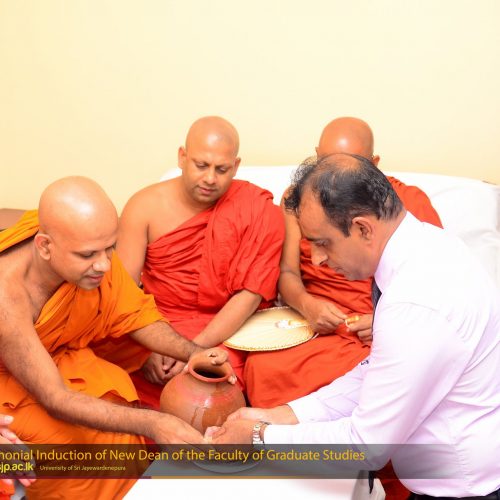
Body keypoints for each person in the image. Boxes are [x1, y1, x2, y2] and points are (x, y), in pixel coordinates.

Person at [208, 154, 500, 499]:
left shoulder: (415, 302)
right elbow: (377, 372)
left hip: (464, 490)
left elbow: (365, 447)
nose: (316, 259)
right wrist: (282, 415)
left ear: (363, 228)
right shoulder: (426, 246)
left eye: (322, 242)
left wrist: (258, 438)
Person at [0, 177, 232, 500]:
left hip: (53, 359)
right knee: (73, 445)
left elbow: (131, 311)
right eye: (88, 255)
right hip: (10, 388)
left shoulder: (84, 245)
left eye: (110, 247)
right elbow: (56, 399)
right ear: (45, 246)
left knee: (117, 400)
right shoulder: (7, 298)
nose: (105, 265)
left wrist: (194, 352)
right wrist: (153, 424)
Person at [244, 117, 443, 408]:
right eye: (325, 164)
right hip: (319, 327)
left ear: (374, 164)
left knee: (389, 372)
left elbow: (435, 283)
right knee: (263, 368)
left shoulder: (404, 202)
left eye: (349, 167)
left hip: (378, 327)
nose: (334, 180)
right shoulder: (299, 201)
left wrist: (383, 320)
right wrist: (308, 305)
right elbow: (287, 271)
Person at [116, 116, 285, 407]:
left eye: (221, 169)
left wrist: (193, 351)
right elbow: (122, 294)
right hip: (157, 324)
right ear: (182, 157)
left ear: (236, 166)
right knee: (109, 386)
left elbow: (249, 297)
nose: (210, 178)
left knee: (208, 392)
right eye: (201, 165)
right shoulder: (144, 206)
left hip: (226, 331)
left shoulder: (258, 209)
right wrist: (147, 348)